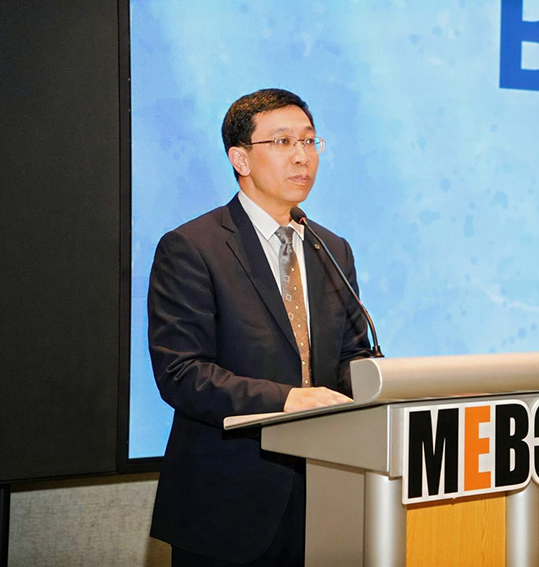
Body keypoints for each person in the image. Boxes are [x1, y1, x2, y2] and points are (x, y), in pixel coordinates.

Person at [147, 88, 372, 566]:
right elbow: (182, 373)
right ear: (241, 159)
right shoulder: (193, 247)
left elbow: (352, 355)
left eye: (309, 141)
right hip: (228, 503)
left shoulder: (331, 248)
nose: (302, 156)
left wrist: (390, 385)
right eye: (283, 142)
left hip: (328, 493)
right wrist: (288, 399)